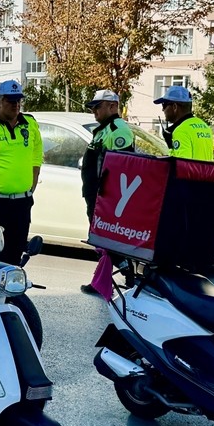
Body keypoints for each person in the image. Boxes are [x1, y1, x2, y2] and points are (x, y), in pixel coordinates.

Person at [0, 79, 42, 265]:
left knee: (15, 253)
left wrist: (32, 184)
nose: (16, 104)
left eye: (18, 100)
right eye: (10, 100)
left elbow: (36, 156)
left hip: (22, 202)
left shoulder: (30, 125)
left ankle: (11, 293)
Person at [80, 89, 135, 295]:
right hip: (95, 194)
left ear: (112, 106)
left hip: (106, 197)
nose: (94, 111)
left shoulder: (117, 129)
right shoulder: (103, 129)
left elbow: (122, 168)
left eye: (98, 106)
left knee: (107, 240)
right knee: (102, 241)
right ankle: (103, 282)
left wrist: (109, 198)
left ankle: (131, 277)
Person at [155, 85, 214, 161]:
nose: (163, 110)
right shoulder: (204, 126)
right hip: (205, 173)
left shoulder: (181, 131)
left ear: (174, 107)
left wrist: (170, 148)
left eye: (164, 105)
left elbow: (181, 166)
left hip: (191, 173)